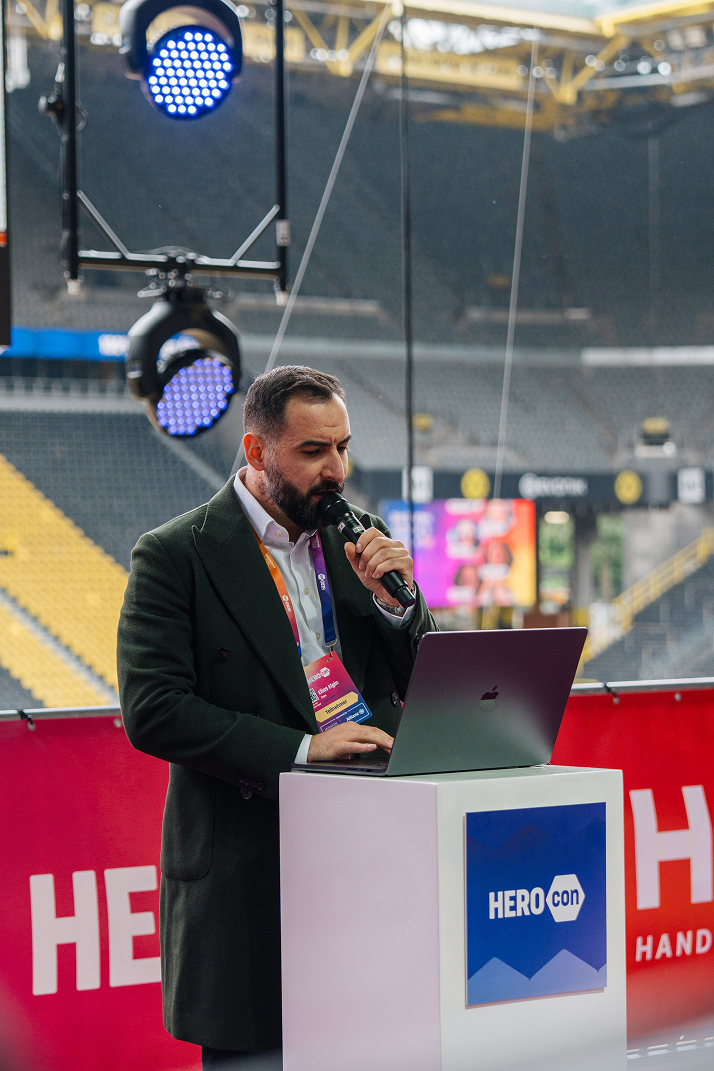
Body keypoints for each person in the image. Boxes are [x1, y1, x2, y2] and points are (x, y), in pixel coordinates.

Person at [116, 366, 436, 1070]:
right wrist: (302, 747)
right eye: (314, 451)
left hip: (371, 871)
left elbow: (421, 674)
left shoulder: (362, 539)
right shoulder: (175, 555)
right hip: (248, 879)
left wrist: (399, 605)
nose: (337, 470)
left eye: (344, 447)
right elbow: (153, 710)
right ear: (257, 452)